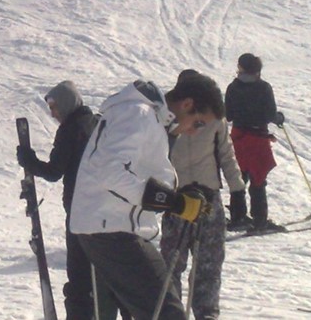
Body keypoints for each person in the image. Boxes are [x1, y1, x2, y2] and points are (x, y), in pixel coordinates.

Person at [69, 74, 225, 320]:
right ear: (186, 104)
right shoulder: (138, 114)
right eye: (199, 123)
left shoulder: (151, 120)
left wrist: (179, 196)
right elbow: (110, 172)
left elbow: (135, 177)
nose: (194, 133)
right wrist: (174, 202)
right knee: (167, 313)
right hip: (110, 229)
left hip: (114, 227)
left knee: (155, 309)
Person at [17, 81, 121, 320]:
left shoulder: (71, 128)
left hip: (80, 213)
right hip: (105, 211)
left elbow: (54, 171)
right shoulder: (96, 123)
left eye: (54, 107)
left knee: (79, 278)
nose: (52, 113)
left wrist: (29, 160)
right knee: (102, 274)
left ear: (66, 103)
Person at [161, 70, 246, 320]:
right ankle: (172, 313)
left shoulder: (214, 119)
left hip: (208, 197)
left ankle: (207, 313)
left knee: (208, 263)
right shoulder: (167, 121)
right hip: (177, 198)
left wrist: (238, 190)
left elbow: (226, 154)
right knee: (171, 263)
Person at [224, 53, 285, 232]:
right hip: (258, 138)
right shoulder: (264, 87)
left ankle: (238, 217)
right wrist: (279, 118)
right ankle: (260, 220)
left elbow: (228, 115)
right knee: (258, 178)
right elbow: (269, 114)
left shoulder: (233, 87)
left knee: (239, 176)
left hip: (239, 136)